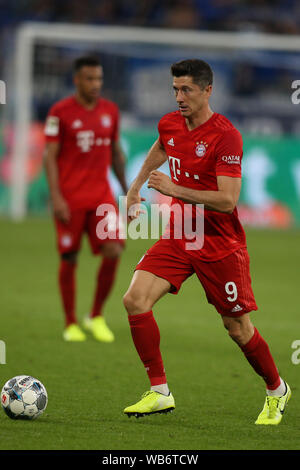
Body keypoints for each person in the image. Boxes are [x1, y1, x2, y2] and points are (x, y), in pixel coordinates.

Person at [123, 59, 291, 425]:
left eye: (186, 90)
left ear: (207, 90)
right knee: (135, 300)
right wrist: (134, 190)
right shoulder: (170, 123)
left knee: (237, 328)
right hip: (182, 233)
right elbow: (161, 146)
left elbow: (228, 200)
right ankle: (159, 392)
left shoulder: (226, 135)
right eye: (175, 89)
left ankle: (277, 389)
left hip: (219, 242)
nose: (179, 97)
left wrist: (173, 188)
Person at [44, 56, 127, 343]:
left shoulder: (110, 111)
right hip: (70, 199)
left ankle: (95, 315)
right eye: (90, 79)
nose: (95, 84)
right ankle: (70, 322)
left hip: (101, 197)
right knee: (69, 257)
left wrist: (127, 190)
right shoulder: (60, 112)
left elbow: (116, 152)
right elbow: (49, 156)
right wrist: (56, 196)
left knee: (114, 250)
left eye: (99, 79)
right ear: (76, 80)